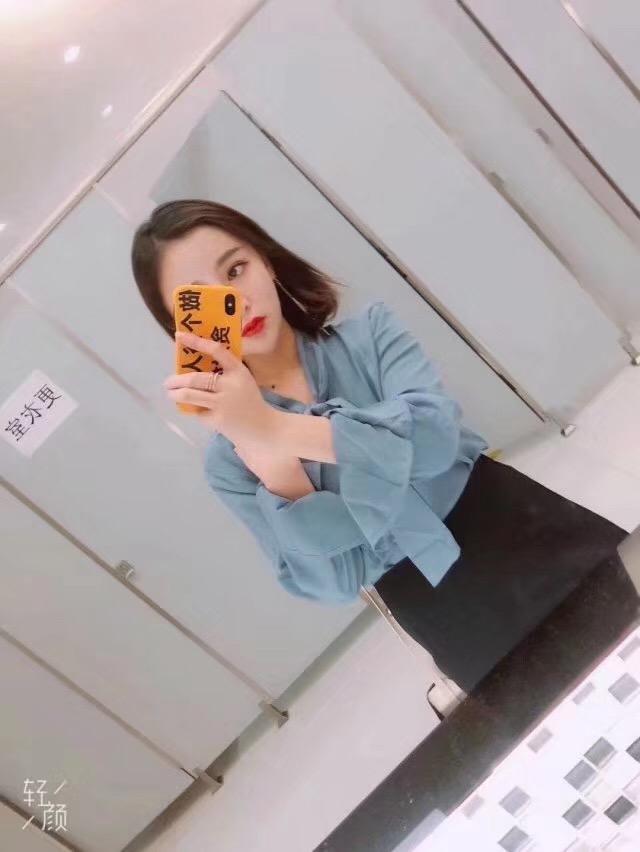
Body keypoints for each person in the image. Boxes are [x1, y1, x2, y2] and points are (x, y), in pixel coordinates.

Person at [131, 199, 634, 693]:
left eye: (236, 269)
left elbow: (433, 440)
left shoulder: (370, 334)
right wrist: (274, 461)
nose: (235, 302)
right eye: (200, 300)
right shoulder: (228, 462)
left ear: (266, 261)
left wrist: (274, 427)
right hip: (446, 613)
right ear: (182, 329)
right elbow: (334, 580)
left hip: (527, 529)